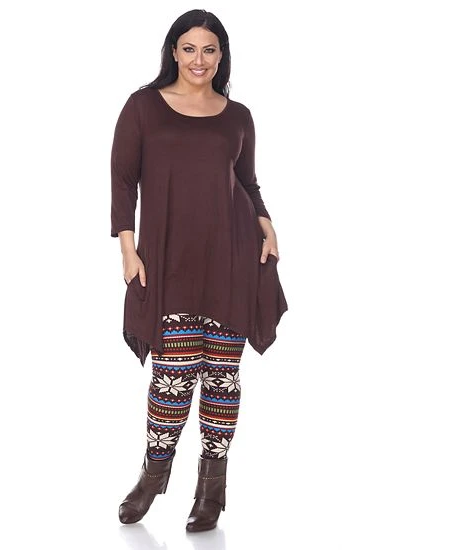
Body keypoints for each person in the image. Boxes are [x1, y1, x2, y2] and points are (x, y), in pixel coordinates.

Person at [110, 9, 288, 532]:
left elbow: (247, 182)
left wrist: (267, 224)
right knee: (172, 375)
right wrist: (128, 249)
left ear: (221, 56)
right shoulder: (143, 106)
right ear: (173, 51)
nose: (199, 60)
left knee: (222, 377)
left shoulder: (238, 116)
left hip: (232, 256)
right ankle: (153, 477)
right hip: (168, 260)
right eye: (189, 48)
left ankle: (211, 490)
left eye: (209, 50)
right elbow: (122, 181)